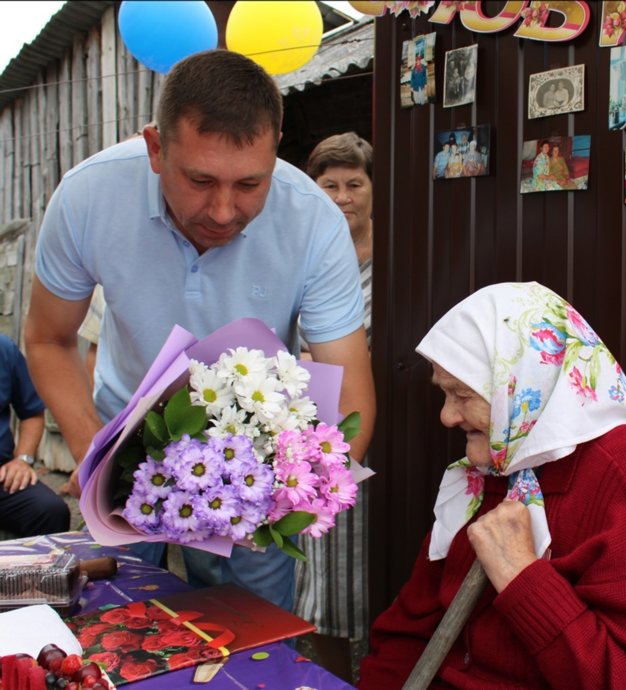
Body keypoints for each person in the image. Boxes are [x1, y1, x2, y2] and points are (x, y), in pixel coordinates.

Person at [24, 49, 375, 613]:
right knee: (121, 618)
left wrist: (292, 496)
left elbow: (348, 383)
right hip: (126, 439)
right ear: (156, 149)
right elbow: (48, 339)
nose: (222, 209)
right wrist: (99, 456)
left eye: (249, 184)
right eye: (200, 179)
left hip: (256, 461)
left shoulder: (314, 219)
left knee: (252, 633)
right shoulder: (88, 195)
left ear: (276, 147)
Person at [358, 282, 626, 689]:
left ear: (522, 384)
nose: (448, 416)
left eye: (461, 395)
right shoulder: (499, 464)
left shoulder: (625, 471)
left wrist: (520, 574)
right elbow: (409, 629)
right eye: (445, 394)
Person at [294, 132, 374, 681]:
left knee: (369, 567)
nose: (343, 196)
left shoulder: (396, 258)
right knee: (317, 564)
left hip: (374, 421)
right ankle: (322, 672)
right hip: (310, 427)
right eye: (329, 185)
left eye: (354, 183)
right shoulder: (307, 256)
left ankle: (372, 669)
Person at [0, 334, 70, 537]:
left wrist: (22, 460)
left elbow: (32, 413)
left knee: (50, 510)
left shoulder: (5, 349)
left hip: (2, 474)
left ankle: (41, 570)